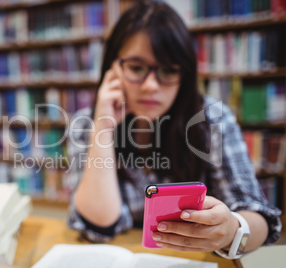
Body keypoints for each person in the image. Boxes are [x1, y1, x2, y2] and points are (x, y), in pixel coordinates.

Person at [66, 0, 282, 258]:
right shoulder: (87, 123)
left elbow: (258, 216)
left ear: (185, 75)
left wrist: (231, 228)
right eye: (136, 68)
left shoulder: (212, 118)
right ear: (113, 69)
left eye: (168, 71)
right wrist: (103, 126)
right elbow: (98, 225)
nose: (151, 86)